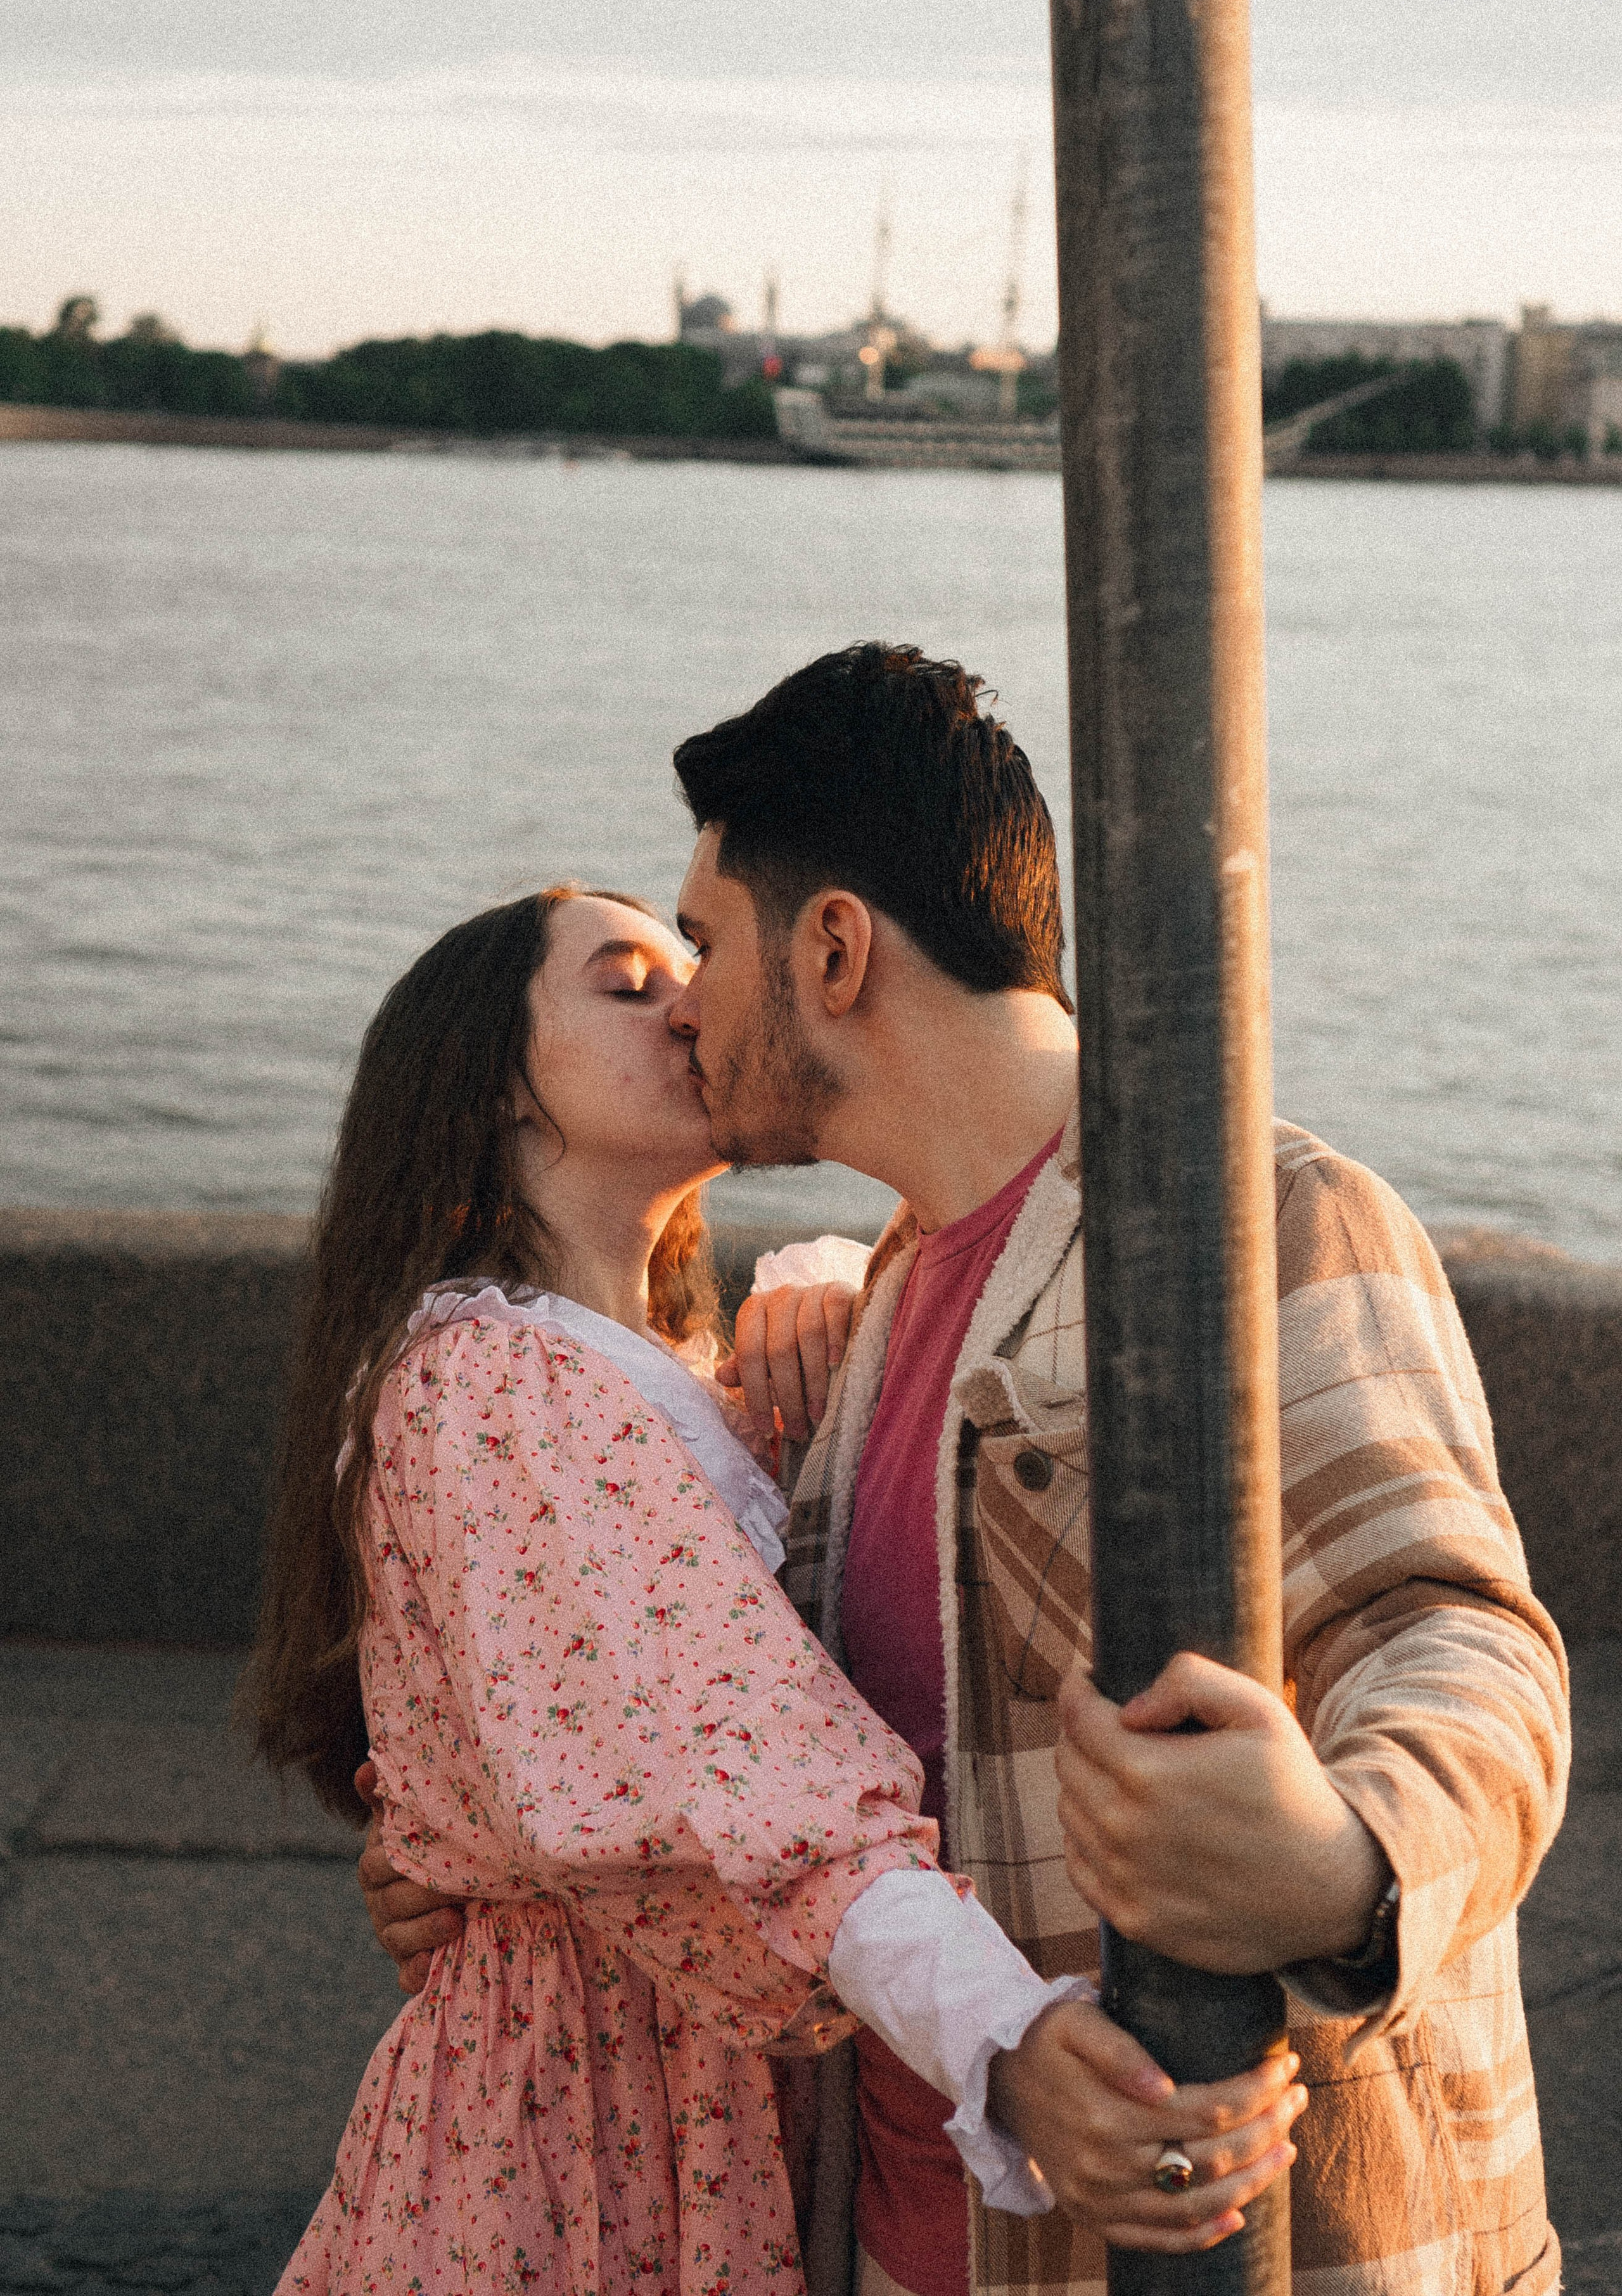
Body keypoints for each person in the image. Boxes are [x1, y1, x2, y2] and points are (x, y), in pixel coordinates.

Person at [365, 648, 1569, 2296]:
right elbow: (718, 1712)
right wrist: (489, 1858)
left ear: (837, 949)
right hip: (918, 2234)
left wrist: (1348, 1860)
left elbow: (1460, 1639)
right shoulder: (872, 1309)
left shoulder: (1260, 1218)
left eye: (704, 943)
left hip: (1255, 2240)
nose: (692, 1004)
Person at [248, 880, 1302, 2296]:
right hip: (583, 2129)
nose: (689, 1000)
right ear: (491, 1082)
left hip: (713, 2101)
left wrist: (815, 1291)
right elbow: (743, 1760)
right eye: (627, 985)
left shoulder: (669, 1374)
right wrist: (1014, 2043)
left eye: (688, 962)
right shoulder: (491, 1382)